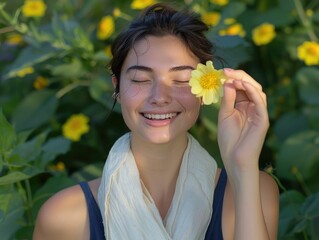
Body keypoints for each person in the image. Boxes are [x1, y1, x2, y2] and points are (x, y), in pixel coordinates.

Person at [33, 3, 279, 240]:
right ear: (116, 88)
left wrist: (243, 166)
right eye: (140, 79)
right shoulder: (63, 218)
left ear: (205, 89)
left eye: (182, 79)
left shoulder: (254, 191)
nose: (160, 97)